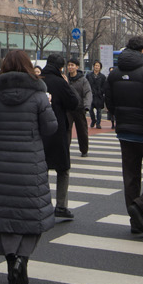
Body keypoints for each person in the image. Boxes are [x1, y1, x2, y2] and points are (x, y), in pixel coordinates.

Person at [0, 49, 58, 284]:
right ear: (27, 66)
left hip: (3, 163)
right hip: (30, 163)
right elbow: (50, 129)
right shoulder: (39, 96)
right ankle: (22, 259)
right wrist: (49, 106)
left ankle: (10, 261)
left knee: (6, 217)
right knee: (33, 214)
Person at [107, 38, 143, 236]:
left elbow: (110, 103)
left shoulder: (114, 74)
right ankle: (140, 206)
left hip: (124, 130)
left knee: (131, 176)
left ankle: (135, 221)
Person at [42, 56, 82, 221]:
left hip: (39, 129)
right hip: (58, 130)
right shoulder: (60, 82)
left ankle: (41, 203)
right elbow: (74, 103)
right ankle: (61, 206)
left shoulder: (38, 80)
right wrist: (66, 84)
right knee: (63, 169)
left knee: (41, 168)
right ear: (61, 68)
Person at [64, 60, 91, 158]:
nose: (70, 67)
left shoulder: (83, 80)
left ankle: (84, 150)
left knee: (82, 130)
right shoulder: (65, 78)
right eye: (69, 65)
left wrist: (86, 106)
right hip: (68, 109)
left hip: (80, 109)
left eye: (72, 65)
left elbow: (87, 93)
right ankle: (65, 149)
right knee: (67, 130)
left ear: (77, 67)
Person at [88, 60, 108, 128]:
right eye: (95, 65)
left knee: (99, 110)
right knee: (90, 109)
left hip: (99, 96)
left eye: (98, 66)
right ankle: (93, 120)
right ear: (93, 66)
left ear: (100, 68)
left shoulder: (102, 77)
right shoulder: (89, 75)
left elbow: (104, 86)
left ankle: (98, 123)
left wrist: (101, 91)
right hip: (91, 95)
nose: (96, 67)